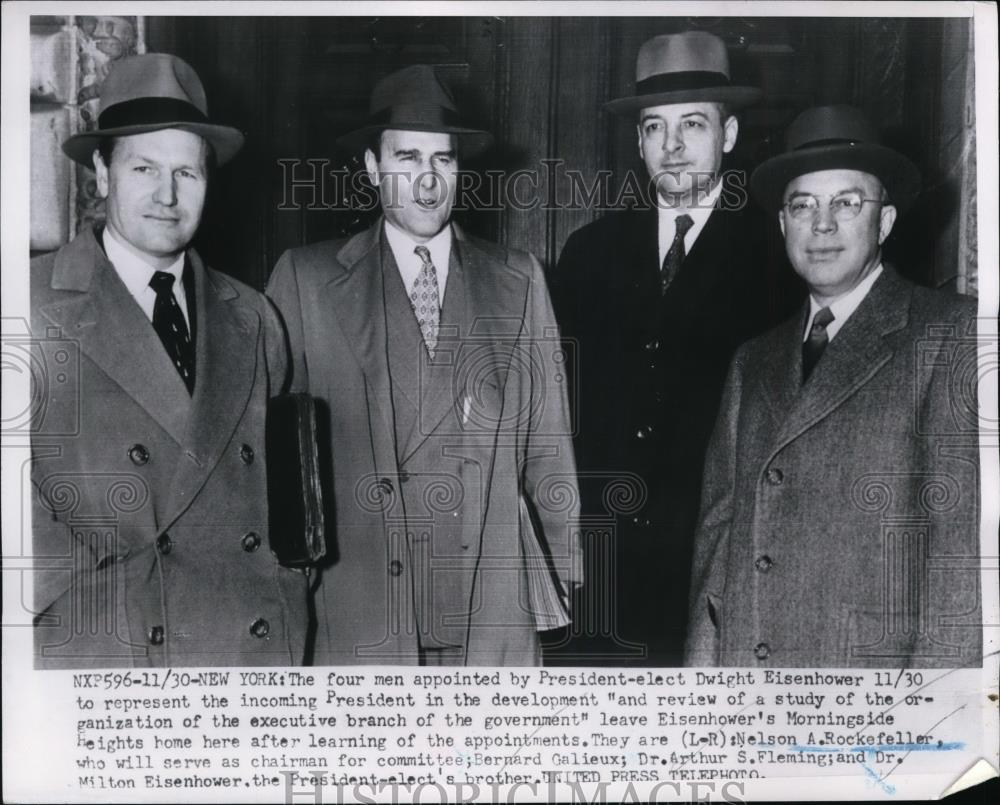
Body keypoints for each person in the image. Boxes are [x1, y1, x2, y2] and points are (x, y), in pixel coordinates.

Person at [267, 65, 581, 666]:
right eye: (408, 159)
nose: (429, 182)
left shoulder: (518, 278)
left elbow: (549, 445)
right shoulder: (305, 280)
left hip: (487, 602)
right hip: (362, 604)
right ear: (370, 167)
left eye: (444, 160)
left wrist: (564, 575)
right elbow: (277, 467)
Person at [30, 53, 309, 668]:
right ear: (102, 173)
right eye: (144, 168)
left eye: (187, 172)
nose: (166, 195)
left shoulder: (256, 317)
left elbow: (281, 494)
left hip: (248, 655)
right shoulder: (28, 304)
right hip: (107, 650)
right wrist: (66, 594)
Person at [685, 105, 981, 668]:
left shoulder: (950, 335)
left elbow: (960, 565)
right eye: (803, 206)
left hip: (871, 699)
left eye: (847, 203)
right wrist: (701, 702)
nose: (822, 226)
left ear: (886, 222)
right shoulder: (754, 360)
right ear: (782, 225)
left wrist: (931, 724)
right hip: (753, 695)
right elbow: (717, 546)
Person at [550, 31, 798, 665]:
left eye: (693, 124)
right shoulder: (589, 253)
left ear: (731, 134)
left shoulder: (779, 256)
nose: (674, 146)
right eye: (655, 128)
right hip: (599, 573)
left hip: (716, 568)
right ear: (638, 141)